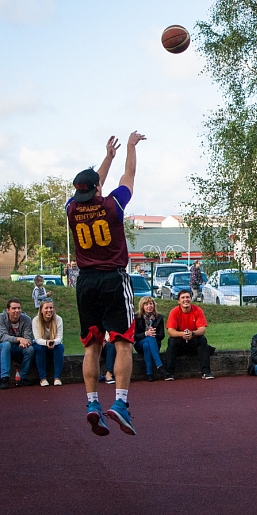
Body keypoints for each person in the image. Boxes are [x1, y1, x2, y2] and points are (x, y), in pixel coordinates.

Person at [67, 133, 144, 436]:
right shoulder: (113, 205)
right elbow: (130, 176)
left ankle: (92, 404)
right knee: (123, 341)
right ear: (99, 188)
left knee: (92, 345)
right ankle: (121, 403)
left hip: (85, 283)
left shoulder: (72, 209)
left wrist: (105, 159)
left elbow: (89, 187)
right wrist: (127, 149)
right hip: (113, 278)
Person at [165, 290, 215, 380]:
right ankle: (169, 373)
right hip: (180, 341)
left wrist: (192, 333)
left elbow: (202, 329)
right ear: (179, 301)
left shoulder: (198, 310)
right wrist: (182, 334)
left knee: (202, 339)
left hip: (193, 340)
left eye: (187, 297)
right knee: (171, 341)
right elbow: (170, 331)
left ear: (191, 299)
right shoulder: (174, 312)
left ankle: (206, 372)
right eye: (183, 298)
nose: (185, 300)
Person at [0, 298, 35, 389]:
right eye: (14, 308)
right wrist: (18, 339)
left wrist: (25, 343)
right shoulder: (1, 318)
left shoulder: (27, 319)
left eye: (19, 308)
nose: (17, 311)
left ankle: (23, 376)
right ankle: (4, 377)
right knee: (6, 344)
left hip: (19, 346)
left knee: (30, 349)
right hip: (3, 346)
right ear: (8, 310)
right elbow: (2, 337)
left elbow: (28, 337)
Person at [134, 297, 171, 381]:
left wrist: (153, 334)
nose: (149, 306)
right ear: (142, 306)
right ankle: (159, 366)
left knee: (147, 344)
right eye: (146, 304)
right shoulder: (136, 317)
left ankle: (149, 373)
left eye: (151, 304)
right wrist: (146, 333)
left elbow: (162, 335)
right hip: (139, 343)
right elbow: (134, 336)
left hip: (154, 344)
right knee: (149, 338)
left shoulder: (159, 317)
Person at [32, 298, 64, 386]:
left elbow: (59, 338)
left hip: (54, 343)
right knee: (39, 348)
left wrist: (53, 342)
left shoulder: (58, 319)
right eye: (46, 308)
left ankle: (57, 377)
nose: (49, 310)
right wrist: (46, 342)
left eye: (51, 308)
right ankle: (43, 378)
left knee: (60, 348)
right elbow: (37, 339)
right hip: (41, 344)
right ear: (41, 310)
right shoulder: (35, 320)